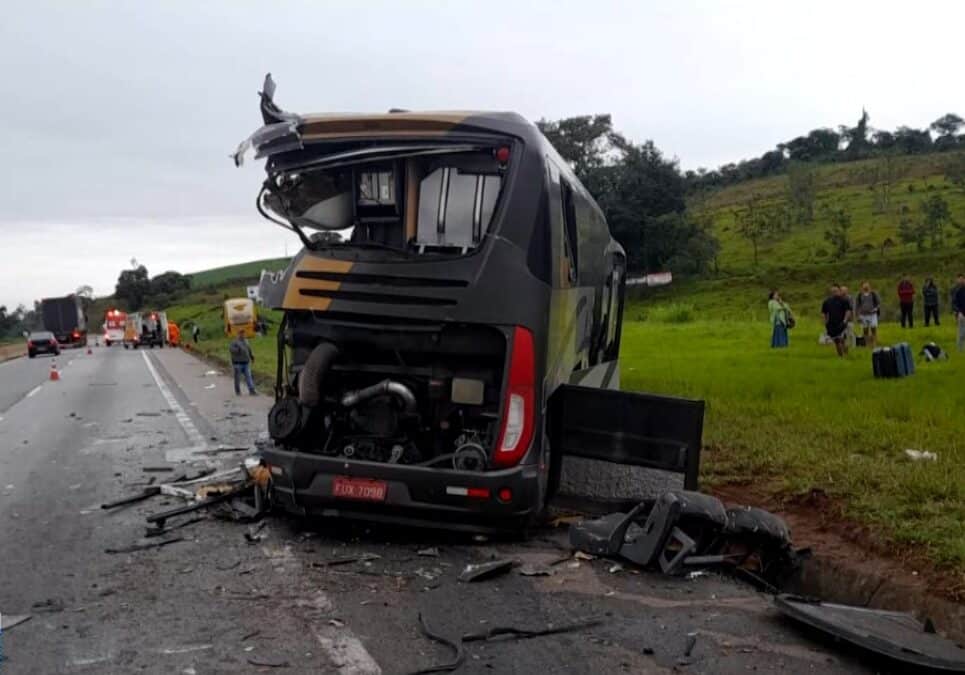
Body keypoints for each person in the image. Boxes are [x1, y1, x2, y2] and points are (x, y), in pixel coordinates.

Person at [821, 284, 852, 357]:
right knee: (836, 341)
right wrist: (825, 322)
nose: (834, 292)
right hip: (832, 324)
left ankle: (846, 355)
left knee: (843, 339)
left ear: (839, 291)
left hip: (842, 323)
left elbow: (848, 311)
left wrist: (845, 320)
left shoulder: (844, 300)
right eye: (833, 291)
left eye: (836, 291)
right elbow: (823, 312)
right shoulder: (827, 301)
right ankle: (840, 356)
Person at [229, 330, 257, 395]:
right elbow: (231, 350)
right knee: (237, 378)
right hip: (237, 363)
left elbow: (249, 349)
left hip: (246, 362)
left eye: (244, 334)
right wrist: (238, 350)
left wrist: (251, 356)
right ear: (238, 334)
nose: (243, 335)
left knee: (248, 376)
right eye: (241, 334)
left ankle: (251, 390)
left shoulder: (246, 341)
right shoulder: (234, 342)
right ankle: (238, 391)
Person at [854, 282, 881, 349]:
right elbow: (857, 306)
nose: (866, 287)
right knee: (865, 330)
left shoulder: (873, 294)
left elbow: (878, 303)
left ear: (869, 286)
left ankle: (874, 344)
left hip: (872, 314)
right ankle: (867, 344)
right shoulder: (859, 295)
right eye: (864, 285)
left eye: (867, 285)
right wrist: (857, 316)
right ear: (862, 287)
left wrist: (875, 309)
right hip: (863, 315)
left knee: (873, 329)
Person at [953, 273, 965, 352]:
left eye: (962, 279)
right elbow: (955, 303)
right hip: (961, 314)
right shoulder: (957, 291)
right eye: (959, 279)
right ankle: (960, 350)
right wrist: (958, 312)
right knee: (961, 333)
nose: (960, 281)